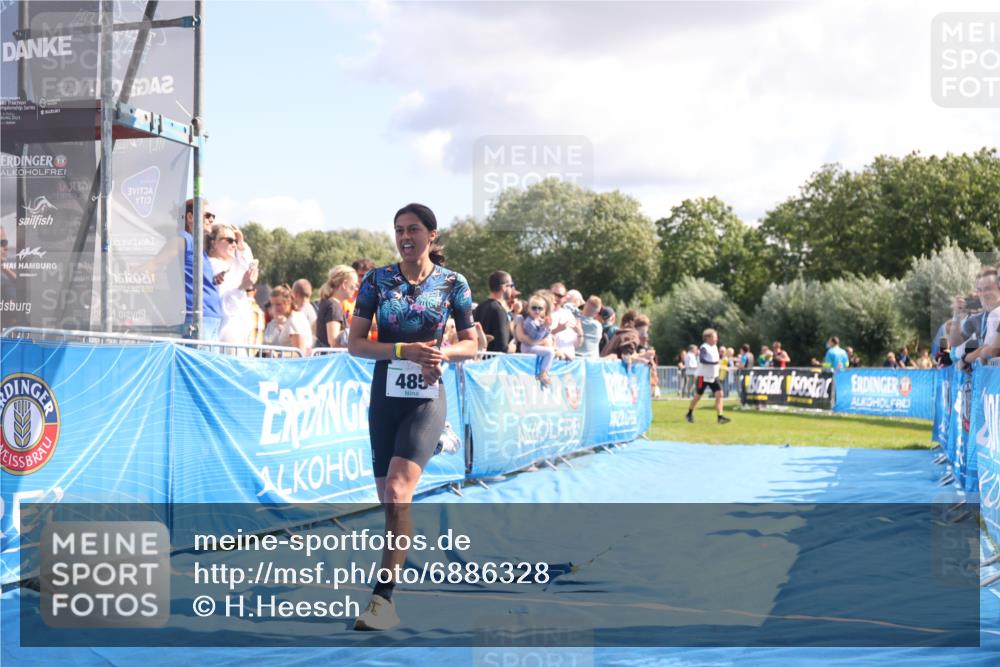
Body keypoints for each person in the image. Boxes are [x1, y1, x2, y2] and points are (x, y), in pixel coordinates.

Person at [347, 203, 477, 631]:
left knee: (400, 492)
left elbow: (472, 342)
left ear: (432, 236)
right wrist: (403, 350)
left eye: (414, 230)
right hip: (386, 393)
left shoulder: (453, 284)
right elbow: (356, 344)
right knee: (388, 498)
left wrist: (442, 353)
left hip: (426, 393)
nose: (405, 237)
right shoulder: (376, 280)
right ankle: (436, 440)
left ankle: (383, 600)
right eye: (399, 230)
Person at [206, 222, 258, 348]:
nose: (233, 244)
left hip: (238, 333)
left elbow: (248, 267)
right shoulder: (212, 265)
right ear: (214, 242)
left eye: (235, 240)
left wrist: (241, 243)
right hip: (225, 333)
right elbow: (224, 304)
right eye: (229, 240)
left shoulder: (230, 264)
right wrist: (242, 288)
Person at [686, 328, 730, 424]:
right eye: (714, 337)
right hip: (702, 377)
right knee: (698, 395)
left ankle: (720, 417)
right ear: (708, 338)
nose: (716, 339)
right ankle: (689, 413)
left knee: (720, 394)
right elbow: (702, 360)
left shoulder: (714, 347)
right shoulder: (704, 347)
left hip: (713, 377)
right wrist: (715, 363)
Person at [315, 265, 359, 348]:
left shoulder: (328, 302)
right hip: (332, 359)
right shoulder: (333, 306)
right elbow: (333, 341)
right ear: (344, 284)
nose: (356, 289)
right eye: (354, 285)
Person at [263, 284, 312, 356]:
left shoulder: (294, 319)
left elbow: (300, 352)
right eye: (272, 304)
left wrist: (277, 354)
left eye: (278, 304)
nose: (275, 308)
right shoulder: (295, 317)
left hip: (297, 365)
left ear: (288, 302)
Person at [521, 294, 559, 386]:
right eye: (534, 308)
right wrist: (544, 327)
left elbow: (544, 335)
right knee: (550, 352)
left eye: (540, 308)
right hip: (528, 347)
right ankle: (543, 373)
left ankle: (543, 372)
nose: (537, 311)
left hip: (534, 346)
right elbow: (536, 337)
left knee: (551, 351)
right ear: (528, 309)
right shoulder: (529, 322)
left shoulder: (539, 320)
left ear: (544, 310)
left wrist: (547, 327)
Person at [472, 271, 514, 353]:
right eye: (511, 285)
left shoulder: (479, 307)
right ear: (504, 287)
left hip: (479, 360)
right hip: (495, 362)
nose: (512, 289)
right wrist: (513, 348)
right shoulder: (499, 310)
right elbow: (502, 346)